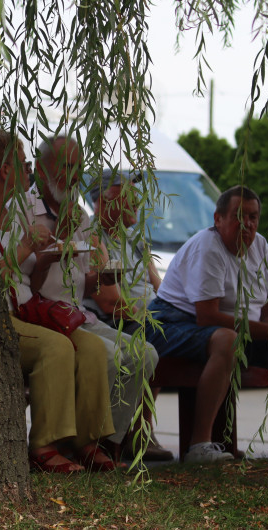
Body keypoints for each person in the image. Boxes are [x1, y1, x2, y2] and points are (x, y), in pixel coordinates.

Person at [146, 185, 268, 462]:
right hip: (171, 321)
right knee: (227, 340)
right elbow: (206, 316)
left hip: (229, 327)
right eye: (238, 216)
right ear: (218, 219)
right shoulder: (208, 247)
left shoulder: (260, 246)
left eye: (253, 217)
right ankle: (199, 446)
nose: (247, 224)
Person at [0, 131, 116, 472]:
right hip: (4, 313)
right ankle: (45, 444)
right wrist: (30, 249)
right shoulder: (12, 213)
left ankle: (86, 440)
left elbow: (30, 279)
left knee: (91, 348)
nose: (29, 170)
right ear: (4, 170)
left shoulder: (18, 213)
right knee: (58, 347)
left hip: (30, 307)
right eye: (23, 164)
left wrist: (98, 276)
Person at [31, 135, 157, 461]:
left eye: (76, 167)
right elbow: (26, 283)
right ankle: (81, 442)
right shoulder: (26, 212)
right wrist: (58, 240)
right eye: (63, 167)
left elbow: (83, 286)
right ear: (40, 170)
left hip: (75, 315)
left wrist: (101, 279)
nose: (71, 176)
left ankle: (106, 440)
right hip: (42, 316)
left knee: (145, 355)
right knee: (111, 355)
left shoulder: (81, 217)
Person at [85, 169, 173, 461]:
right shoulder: (92, 238)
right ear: (106, 199)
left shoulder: (136, 239)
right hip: (119, 320)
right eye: (129, 192)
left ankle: (142, 429)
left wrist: (172, 312)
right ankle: (139, 430)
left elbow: (160, 287)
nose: (137, 199)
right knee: (155, 337)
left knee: (185, 330)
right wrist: (157, 319)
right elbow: (111, 304)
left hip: (149, 314)